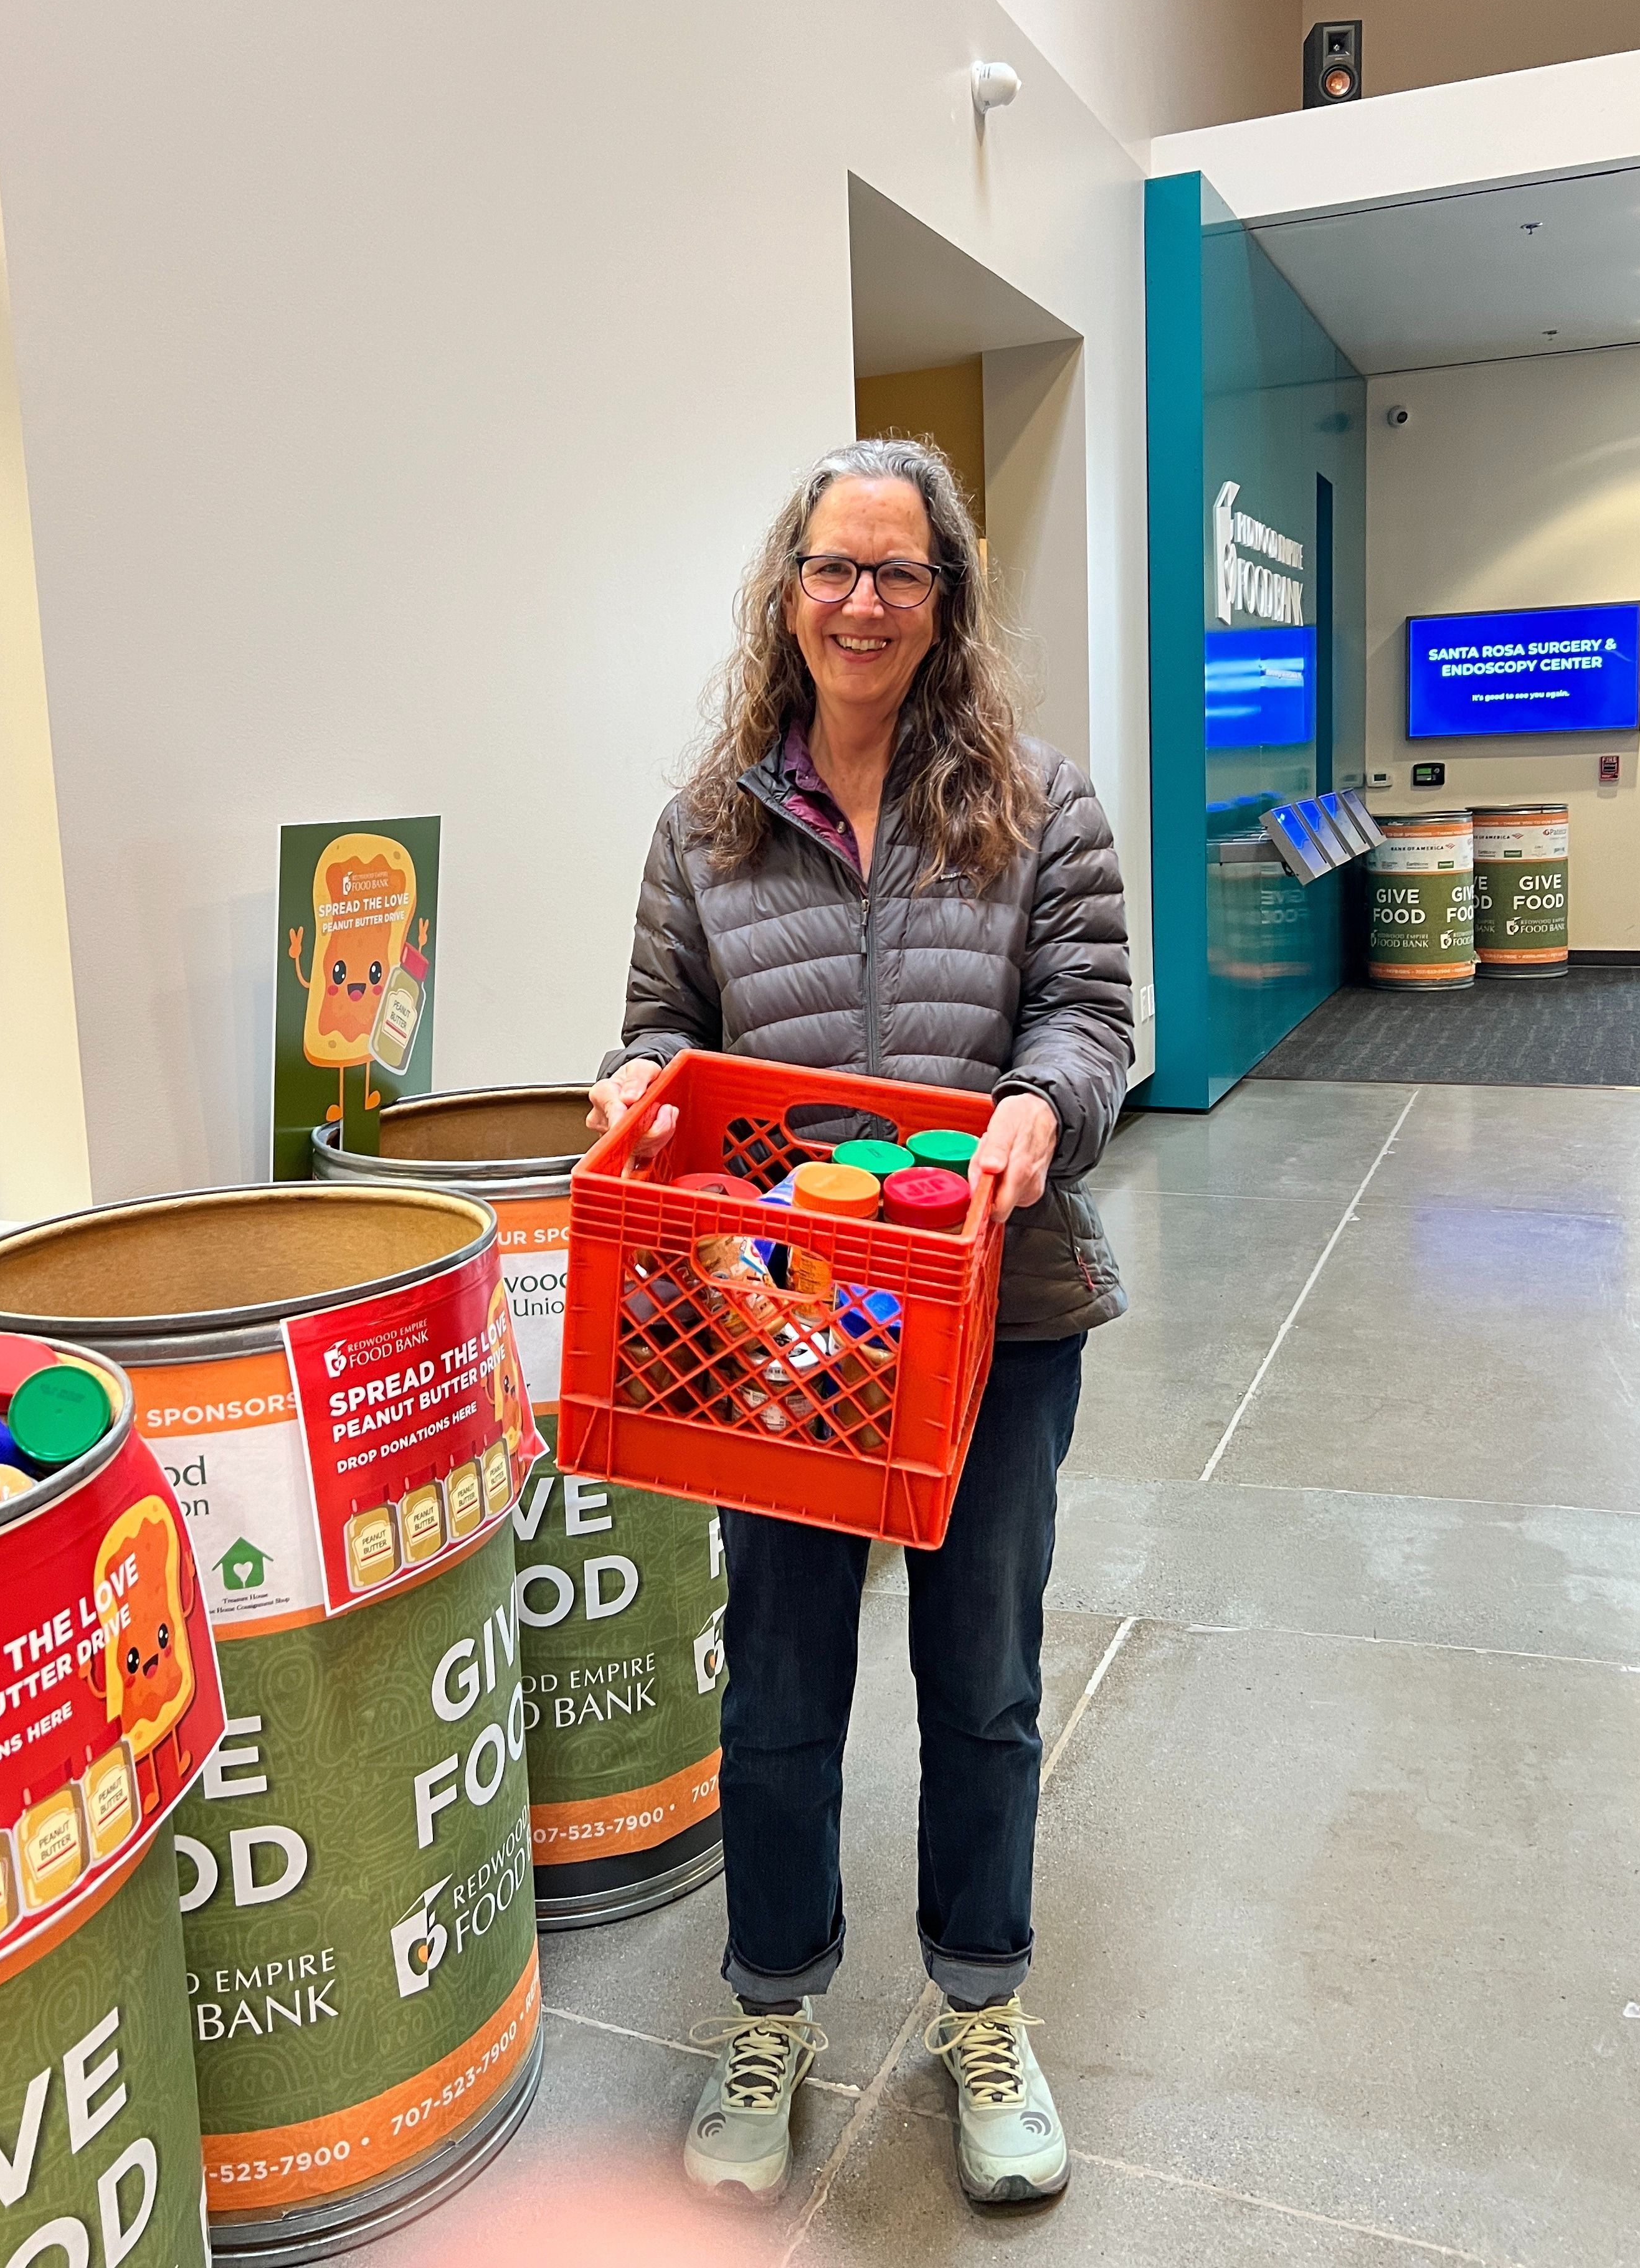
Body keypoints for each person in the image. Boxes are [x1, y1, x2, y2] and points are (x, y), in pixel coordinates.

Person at [587, 437, 1130, 2208]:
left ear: (948, 602)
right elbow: (658, 1030)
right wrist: (626, 1091)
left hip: (994, 1317)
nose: (866, 602)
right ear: (788, 588)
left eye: (904, 573)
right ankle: (772, 2008)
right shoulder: (706, 825)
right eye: (838, 567)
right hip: (772, 1341)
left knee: (982, 1681)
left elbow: (1090, 1015)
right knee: (783, 1684)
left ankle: (983, 2008)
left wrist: (1048, 1109)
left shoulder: (1041, 805)